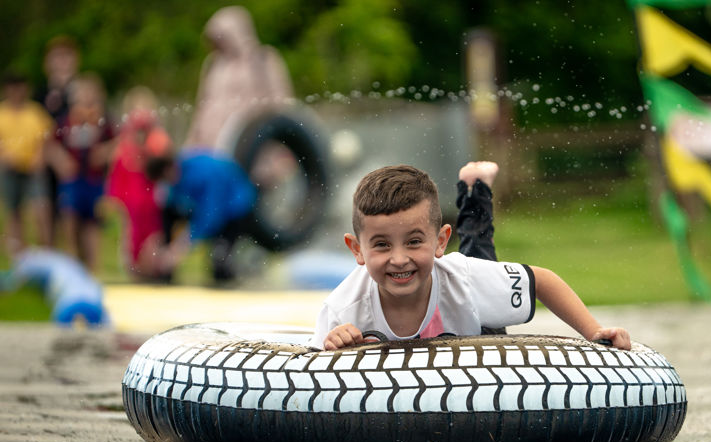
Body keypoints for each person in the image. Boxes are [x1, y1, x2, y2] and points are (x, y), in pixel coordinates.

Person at [311, 161, 631, 351]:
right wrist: (335, 347)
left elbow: (543, 282)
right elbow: (307, 372)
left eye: (413, 242)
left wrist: (594, 333)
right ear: (357, 249)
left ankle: (475, 189)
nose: (399, 258)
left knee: (478, 251)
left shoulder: (462, 279)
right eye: (381, 245)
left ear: (440, 242)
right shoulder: (342, 309)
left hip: (475, 320)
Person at [144, 140, 285, 282]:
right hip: (210, 206)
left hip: (235, 209)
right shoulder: (173, 178)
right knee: (168, 215)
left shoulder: (204, 174)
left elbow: (210, 216)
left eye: (164, 180)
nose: (165, 185)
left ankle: (227, 281)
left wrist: (179, 249)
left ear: (169, 170)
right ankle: (165, 268)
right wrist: (158, 242)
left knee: (220, 259)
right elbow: (169, 209)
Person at [184, 5, 294, 151]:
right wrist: (190, 146)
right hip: (212, 149)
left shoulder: (263, 59)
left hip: (253, 149)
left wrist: (284, 147)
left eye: (222, 36)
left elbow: (283, 104)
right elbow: (202, 106)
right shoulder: (212, 64)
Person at [48, 73, 116, 272]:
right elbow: (51, 145)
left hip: (94, 180)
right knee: (70, 220)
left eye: (90, 96)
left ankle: (94, 268)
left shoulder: (104, 122)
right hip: (72, 180)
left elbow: (117, 143)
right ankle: (71, 264)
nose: (86, 100)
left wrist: (105, 152)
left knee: (92, 224)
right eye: (81, 96)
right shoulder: (65, 122)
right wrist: (61, 160)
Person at [106, 86, 167, 280]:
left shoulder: (158, 141)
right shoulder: (123, 143)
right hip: (130, 207)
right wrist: (113, 198)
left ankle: (153, 276)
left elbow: (164, 172)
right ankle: (136, 278)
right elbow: (116, 174)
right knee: (130, 248)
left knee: (152, 245)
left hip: (151, 207)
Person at [0, 72, 55, 254]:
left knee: (40, 209)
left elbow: (46, 137)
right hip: (9, 169)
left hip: (33, 169)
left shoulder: (35, 112)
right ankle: (19, 257)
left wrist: (39, 157)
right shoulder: (2, 112)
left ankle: (46, 252)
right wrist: (6, 156)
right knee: (13, 212)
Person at [36, 35, 80, 246]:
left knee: (74, 217)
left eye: (66, 57)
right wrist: (54, 155)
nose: (62, 62)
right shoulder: (40, 94)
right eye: (57, 57)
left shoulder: (83, 91)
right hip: (48, 164)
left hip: (78, 164)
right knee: (46, 211)